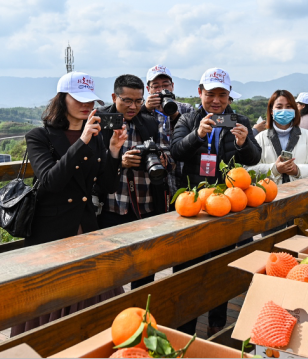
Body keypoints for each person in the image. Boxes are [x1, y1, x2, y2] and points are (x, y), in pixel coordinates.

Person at [12, 71, 128, 336]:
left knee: (91, 301)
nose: (87, 106)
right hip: (50, 232)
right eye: (80, 99)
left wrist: (113, 151)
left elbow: (107, 186)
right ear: (62, 99)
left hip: (85, 228)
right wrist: (84, 140)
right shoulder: (39, 136)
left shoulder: (98, 136)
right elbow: (51, 181)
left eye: (90, 101)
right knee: (49, 303)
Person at [170, 67, 261, 337]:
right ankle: (184, 328)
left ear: (230, 96)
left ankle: (217, 324)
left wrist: (244, 143)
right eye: (210, 94)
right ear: (200, 93)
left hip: (227, 205)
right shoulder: (187, 119)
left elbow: (253, 159)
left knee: (222, 267)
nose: (216, 100)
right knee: (188, 269)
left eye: (222, 94)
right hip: (193, 207)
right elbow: (176, 151)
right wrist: (197, 135)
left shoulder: (239, 120)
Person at [97, 74, 173, 290]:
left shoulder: (149, 121)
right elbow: (91, 161)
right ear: (114, 97)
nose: (133, 106)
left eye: (138, 101)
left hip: (145, 204)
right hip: (111, 206)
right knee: (110, 272)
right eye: (127, 101)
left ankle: (140, 312)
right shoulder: (101, 120)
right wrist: (119, 161)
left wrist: (159, 158)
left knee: (145, 270)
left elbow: (169, 157)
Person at [247, 90, 308, 185]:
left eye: (288, 107)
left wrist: (297, 170)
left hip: (302, 195)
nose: (284, 110)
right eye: (279, 107)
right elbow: (248, 170)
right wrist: (275, 169)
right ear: (272, 111)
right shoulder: (260, 139)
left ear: (294, 110)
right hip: (270, 196)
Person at [141, 65, 194, 196]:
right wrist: (145, 110)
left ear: (172, 86)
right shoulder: (142, 110)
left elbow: (194, 137)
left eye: (165, 85)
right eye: (156, 86)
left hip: (182, 174)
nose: (161, 90)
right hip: (153, 177)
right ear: (148, 89)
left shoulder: (186, 109)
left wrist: (174, 114)